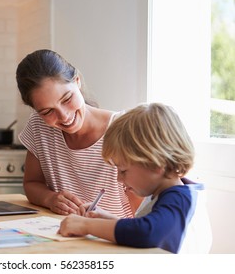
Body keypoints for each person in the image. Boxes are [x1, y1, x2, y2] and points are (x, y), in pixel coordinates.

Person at [58, 103, 212, 253]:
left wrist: (86, 226)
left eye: (123, 170)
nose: (118, 178)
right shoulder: (171, 194)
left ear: (156, 164)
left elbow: (146, 232)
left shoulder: (179, 199)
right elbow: (142, 225)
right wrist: (106, 218)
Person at [16, 49, 141, 217]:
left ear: (77, 81)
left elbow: (144, 216)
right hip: (63, 235)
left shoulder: (125, 130)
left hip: (114, 237)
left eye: (67, 99)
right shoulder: (39, 127)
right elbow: (31, 183)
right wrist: (50, 198)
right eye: (47, 111)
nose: (64, 116)